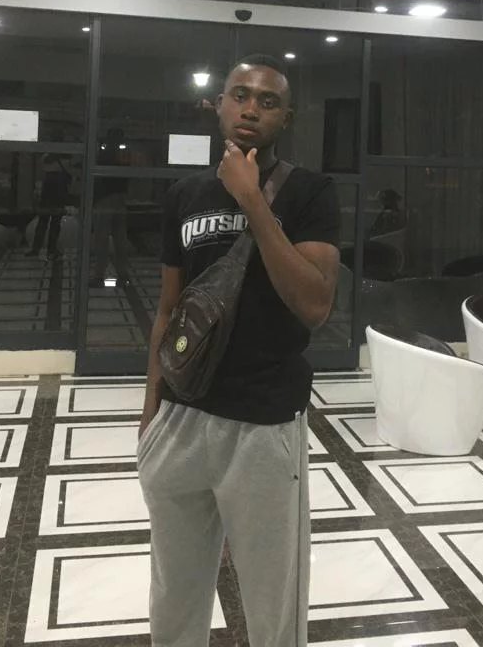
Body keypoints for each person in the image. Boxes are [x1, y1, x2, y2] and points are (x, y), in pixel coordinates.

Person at [138, 54, 340, 647]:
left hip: (262, 424)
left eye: (268, 101)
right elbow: (168, 310)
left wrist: (253, 200)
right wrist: (150, 411)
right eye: (240, 95)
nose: (252, 108)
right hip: (180, 417)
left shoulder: (310, 193)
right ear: (219, 105)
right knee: (174, 591)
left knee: (274, 598)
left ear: (285, 118)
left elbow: (315, 304)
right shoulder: (184, 194)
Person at [90, 128, 130, 286]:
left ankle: (99, 274)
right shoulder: (123, 154)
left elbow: (99, 176)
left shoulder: (105, 154)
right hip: (120, 197)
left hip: (105, 198)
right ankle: (123, 275)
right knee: (120, 238)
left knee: (102, 237)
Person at [27, 142, 72, 259]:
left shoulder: (46, 157)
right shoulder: (66, 158)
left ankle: (36, 249)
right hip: (59, 193)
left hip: (47, 193)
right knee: (55, 223)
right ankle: (51, 249)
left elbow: (42, 171)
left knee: (42, 222)